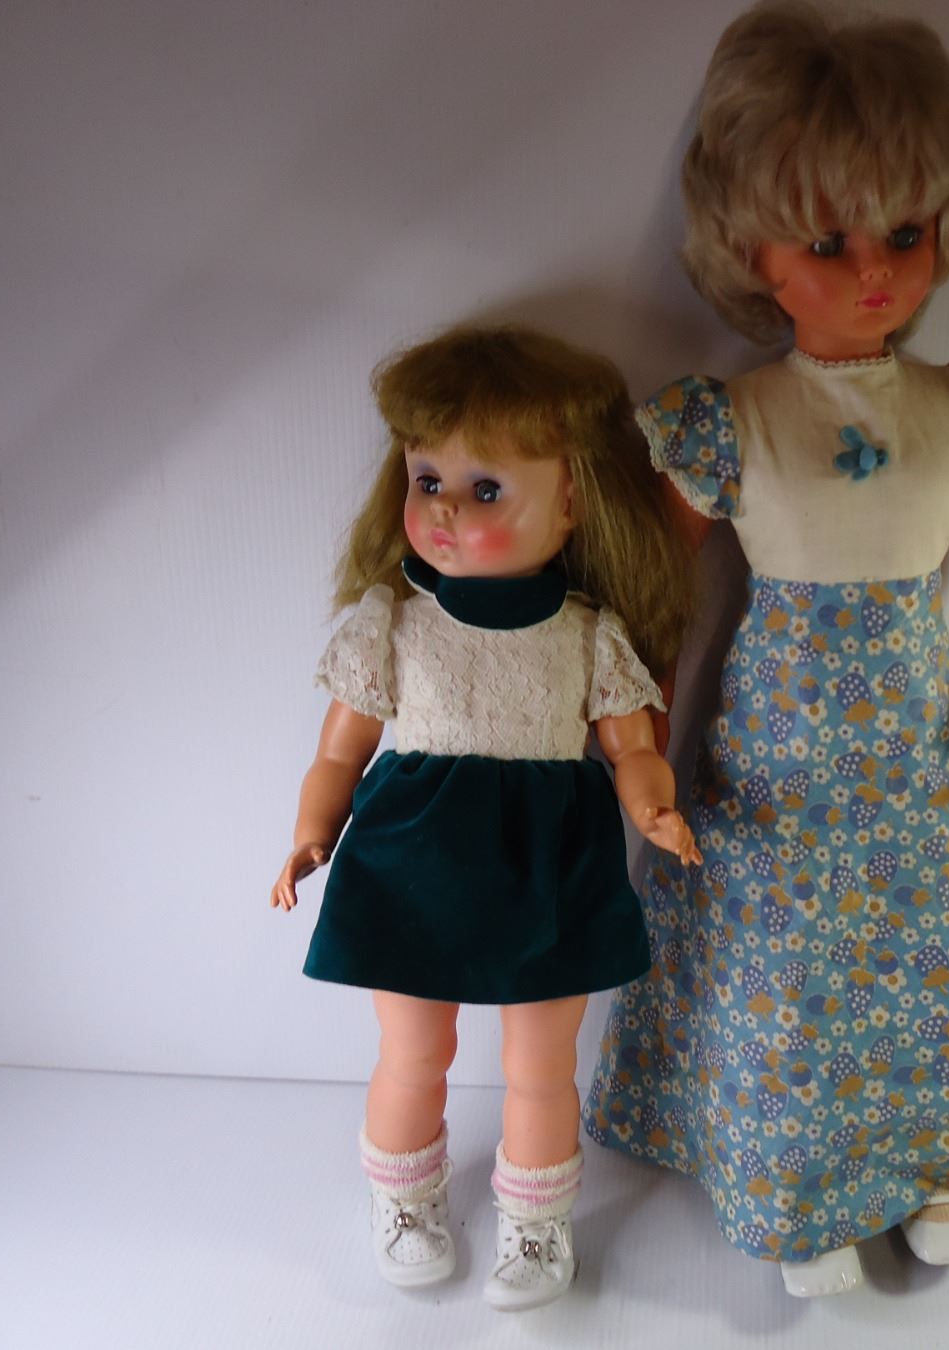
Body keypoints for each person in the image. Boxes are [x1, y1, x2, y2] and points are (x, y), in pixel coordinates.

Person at [584, 1, 949, 1298]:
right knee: (781, 968)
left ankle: (929, 1166)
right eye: (827, 243)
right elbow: (653, 595)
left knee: (938, 950)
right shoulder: (731, 422)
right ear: (752, 254)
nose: (873, 270)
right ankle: (795, 1183)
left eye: (903, 233)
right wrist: (638, 747)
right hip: (775, 759)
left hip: (915, 758)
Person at [273, 325, 699, 1311]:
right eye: (429, 481)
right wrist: (311, 833)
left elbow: (632, 745)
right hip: (411, 863)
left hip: (549, 864)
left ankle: (538, 1223)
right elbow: (340, 750)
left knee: (541, 1064)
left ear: (573, 502)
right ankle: (403, 1200)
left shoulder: (588, 635)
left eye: (487, 489)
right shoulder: (393, 622)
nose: (447, 510)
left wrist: (654, 805)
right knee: (414, 1050)